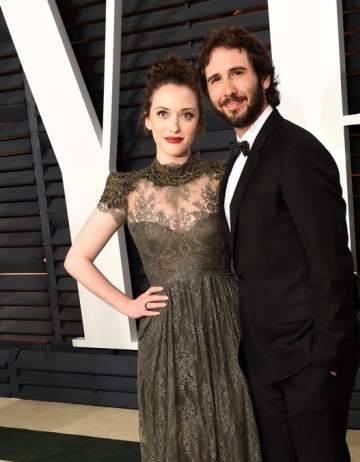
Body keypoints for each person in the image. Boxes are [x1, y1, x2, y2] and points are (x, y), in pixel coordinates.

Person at [64, 56, 261, 462]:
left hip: (227, 324)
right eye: (164, 114)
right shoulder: (125, 188)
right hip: (165, 331)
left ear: (199, 123)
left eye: (187, 115)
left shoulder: (223, 176)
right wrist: (127, 305)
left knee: (233, 430)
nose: (175, 126)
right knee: (177, 437)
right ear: (148, 120)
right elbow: (76, 259)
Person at [198, 27, 360, 462]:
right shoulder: (236, 160)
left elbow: (331, 262)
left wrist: (325, 362)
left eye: (237, 73)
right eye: (215, 79)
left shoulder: (296, 150)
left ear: (265, 77)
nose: (228, 89)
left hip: (308, 358)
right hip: (263, 355)